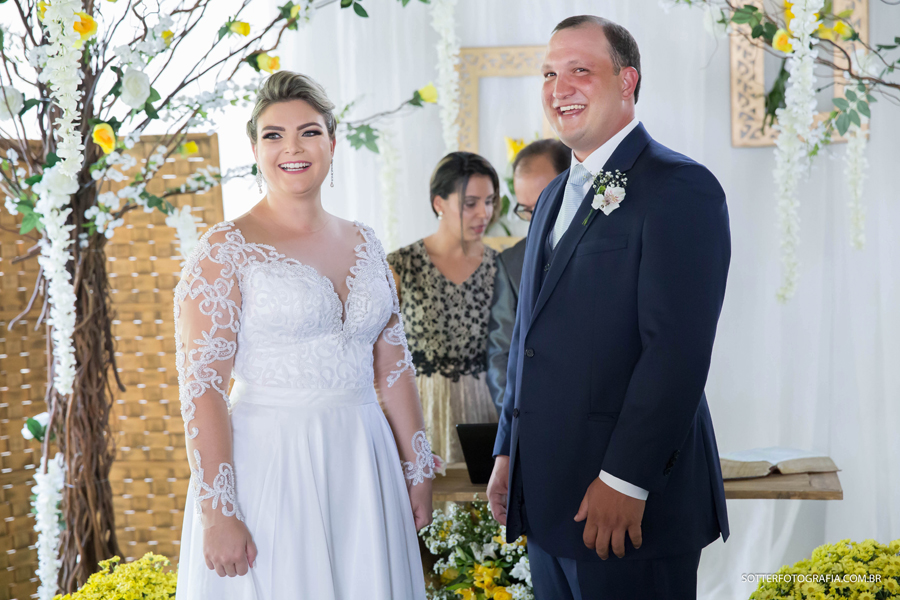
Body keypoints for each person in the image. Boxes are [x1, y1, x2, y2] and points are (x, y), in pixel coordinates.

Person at [487, 16, 731, 600]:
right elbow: (529, 336)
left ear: (627, 81)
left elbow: (676, 352)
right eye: (549, 73)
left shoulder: (681, 187)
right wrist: (506, 451)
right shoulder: (549, 195)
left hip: (628, 509)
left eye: (580, 70)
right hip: (548, 502)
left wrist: (626, 481)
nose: (558, 87)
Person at [174, 71, 433, 599]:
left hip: (365, 462)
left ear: (332, 143)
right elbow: (202, 386)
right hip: (272, 464)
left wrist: (419, 467)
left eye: (309, 132)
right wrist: (218, 509)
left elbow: (394, 367)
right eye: (273, 135)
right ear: (254, 148)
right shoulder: (225, 248)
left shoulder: (365, 241)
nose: (292, 147)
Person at [387, 152, 500, 466]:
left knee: (482, 512)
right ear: (439, 203)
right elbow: (373, 353)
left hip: (484, 415)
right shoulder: (400, 265)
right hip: (419, 413)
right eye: (471, 203)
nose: (484, 213)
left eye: (489, 201)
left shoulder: (500, 269)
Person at [486, 139, 569, 414]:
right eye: (526, 210)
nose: (536, 220)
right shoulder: (511, 262)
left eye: (545, 202)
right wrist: (515, 422)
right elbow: (501, 353)